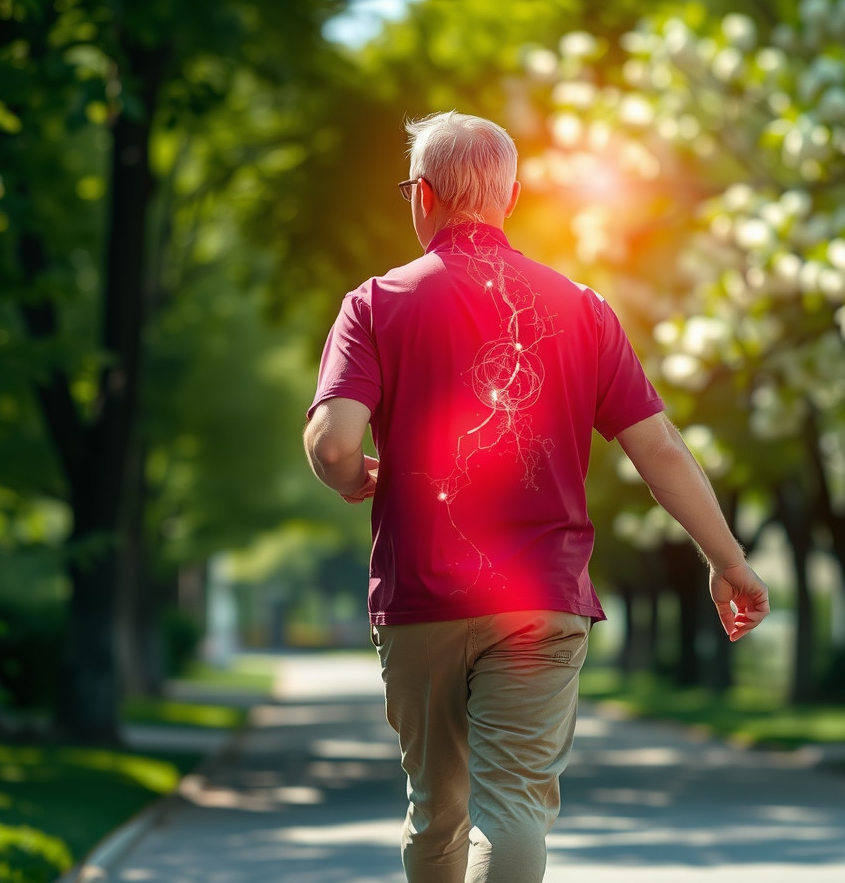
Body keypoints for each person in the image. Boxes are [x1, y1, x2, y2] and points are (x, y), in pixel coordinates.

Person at [303, 111, 769, 883]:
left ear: (421, 196)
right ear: (511, 198)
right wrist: (729, 560)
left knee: (437, 811)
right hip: (539, 602)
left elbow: (335, 444)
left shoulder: (376, 305)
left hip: (422, 598)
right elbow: (659, 449)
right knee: (512, 805)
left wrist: (356, 479)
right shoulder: (584, 310)